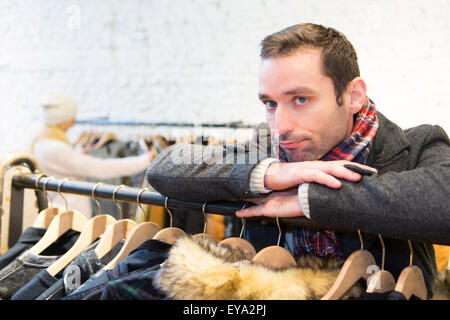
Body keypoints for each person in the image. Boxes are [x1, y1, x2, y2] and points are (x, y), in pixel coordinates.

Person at [145, 23, 450, 297]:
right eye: (269, 103)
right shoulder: (265, 146)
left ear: (354, 95)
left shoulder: (416, 146)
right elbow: (166, 166)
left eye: (300, 100)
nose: (281, 124)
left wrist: (311, 197)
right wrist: (270, 174)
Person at [31, 92, 155, 218]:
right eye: (71, 118)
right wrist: (145, 160)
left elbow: (62, 167)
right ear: (60, 120)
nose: (73, 124)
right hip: (69, 217)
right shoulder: (56, 148)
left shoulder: (41, 143)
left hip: (60, 212)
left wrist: (78, 155)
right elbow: (102, 169)